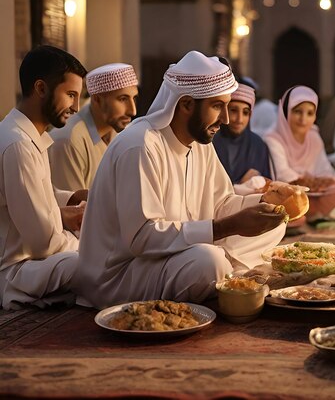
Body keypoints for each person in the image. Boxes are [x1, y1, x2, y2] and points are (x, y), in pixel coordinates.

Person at [73, 52, 289, 309]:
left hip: (171, 255)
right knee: (209, 262)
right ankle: (224, 274)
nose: (227, 120)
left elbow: (221, 203)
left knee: (276, 221)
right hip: (120, 274)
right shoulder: (140, 145)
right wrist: (225, 228)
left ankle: (224, 275)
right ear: (186, 104)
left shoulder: (200, 143)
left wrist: (264, 202)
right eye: (218, 106)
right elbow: (142, 237)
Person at [0, 45, 87, 310]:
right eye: (70, 94)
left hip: (33, 262)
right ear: (40, 88)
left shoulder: (23, 135)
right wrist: (86, 240)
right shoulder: (18, 145)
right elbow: (43, 243)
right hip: (15, 271)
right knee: (97, 261)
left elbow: (38, 194)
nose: (76, 107)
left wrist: (74, 198)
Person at [49, 63, 139, 191]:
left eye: (134, 98)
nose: (133, 111)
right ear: (97, 100)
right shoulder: (69, 140)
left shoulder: (120, 133)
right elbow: (74, 207)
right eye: (123, 99)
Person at [265, 85, 335, 183]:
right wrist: (312, 184)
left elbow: (325, 169)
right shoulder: (272, 139)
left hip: (315, 194)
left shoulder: (313, 137)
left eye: (310, 113)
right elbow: (282, 174)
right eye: (297, 112)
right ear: (286, 111)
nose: (303, 120)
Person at [213, 82, 274, 191]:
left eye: (245, 113)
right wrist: (242, 186)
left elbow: (268, 188)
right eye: (233, 111)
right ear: (224, 111)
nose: (239, 119)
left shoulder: (258, 145)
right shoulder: (210, 142)